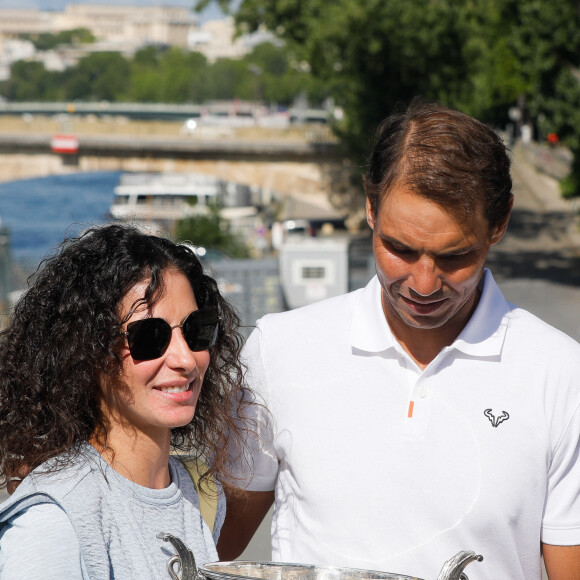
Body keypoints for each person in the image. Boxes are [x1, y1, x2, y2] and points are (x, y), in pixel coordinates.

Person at [217, 101, 580, 580]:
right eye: (400, 249)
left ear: (500, 222)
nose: (424, 284)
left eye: (456, 257)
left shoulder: (561, 375)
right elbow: (213, 544)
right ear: (370, 207)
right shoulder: (279, 350)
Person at [0, 223, 251, 578]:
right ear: (86, 353)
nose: (185, 358)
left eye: (197, 329)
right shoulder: (56, 523)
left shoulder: (201, 494)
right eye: (150, 336)